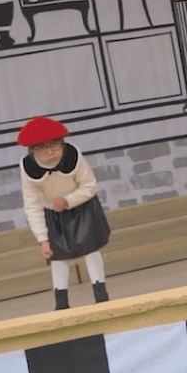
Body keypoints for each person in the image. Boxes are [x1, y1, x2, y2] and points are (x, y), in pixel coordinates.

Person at [18, 116, 110, 310]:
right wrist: (42, 239)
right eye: (42, 148)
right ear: (33, 150)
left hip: (82, 206)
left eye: (54, 145)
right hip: (52, 213)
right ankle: (61, 301)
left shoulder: (74, 157)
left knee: (91, 248)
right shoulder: (28, 169)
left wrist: (68, 201)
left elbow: (90, 186)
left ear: (62, 143)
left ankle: (100, 293)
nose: (50, 152)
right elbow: (32, 205)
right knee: (57, 256)